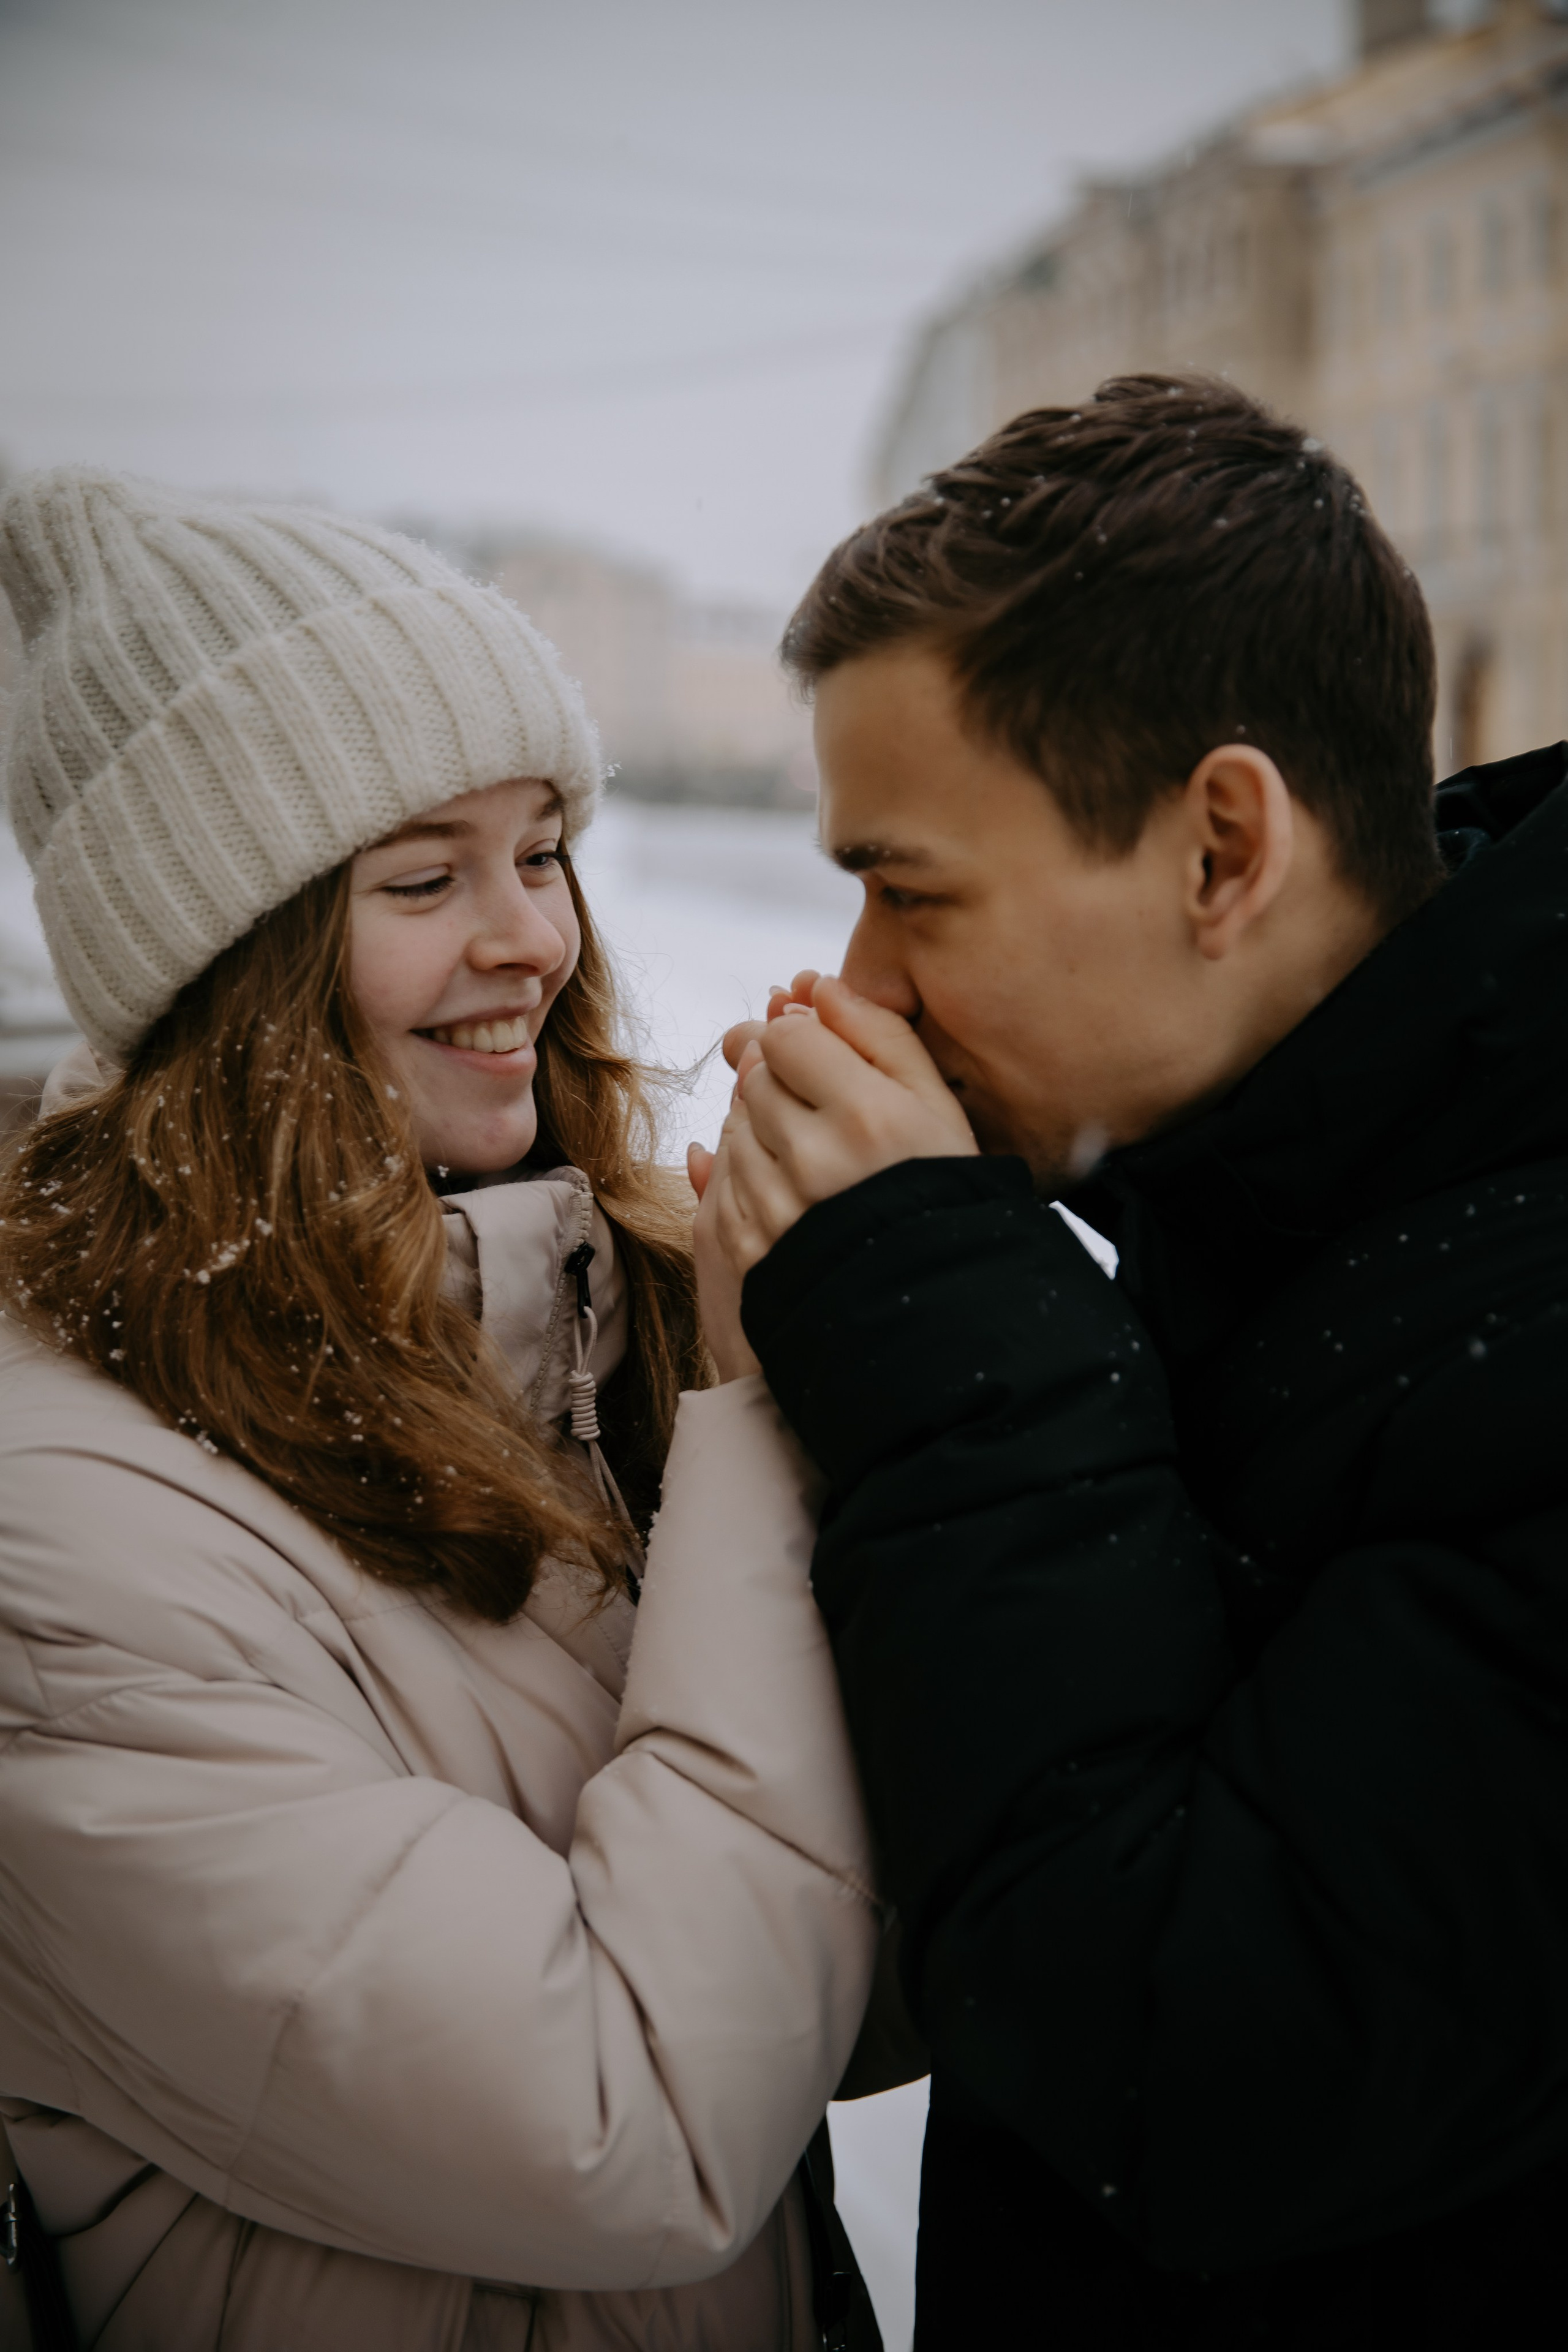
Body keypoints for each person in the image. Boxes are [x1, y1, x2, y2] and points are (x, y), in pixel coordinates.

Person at [695, 375, 1568, 2348]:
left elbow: (1207, 2070)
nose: (858, 990)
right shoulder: (1291, 1189)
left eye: (912, 888)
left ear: (1219, 851)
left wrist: (934, 1327)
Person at [0, 467, 907, 2352]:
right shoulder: (59, 1547)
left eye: (546, 847)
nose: (533, 941)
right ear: (221, 971)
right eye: (423, 878)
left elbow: (851, 1975)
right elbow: (637, 2115)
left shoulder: (563, 1323)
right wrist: (751, 1423)